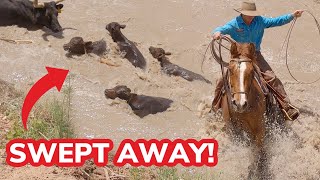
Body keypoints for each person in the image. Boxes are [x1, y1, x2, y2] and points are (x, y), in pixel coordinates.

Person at [211, 1, 303, 121]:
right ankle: (214, 107)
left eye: (252, 14)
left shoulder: (260, 21)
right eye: (248, 14)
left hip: (255, 55)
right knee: (221, 80)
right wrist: (217, 33)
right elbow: (220, 29)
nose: (251, 16)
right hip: (238, 56)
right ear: (242, 13)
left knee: (271, 77)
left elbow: (276, 21)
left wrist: (292, 16)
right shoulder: (234, 24)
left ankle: (286, 107)